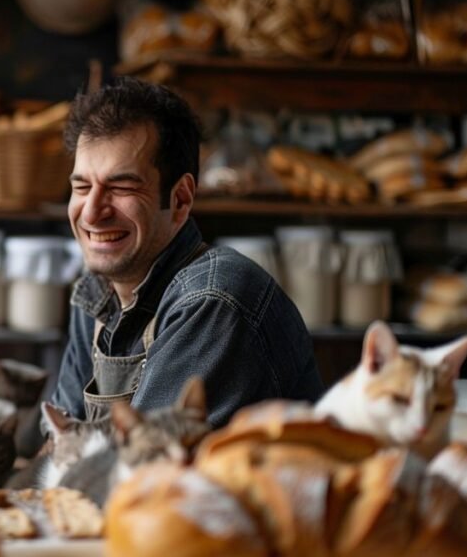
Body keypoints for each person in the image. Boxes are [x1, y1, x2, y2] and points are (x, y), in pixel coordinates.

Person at [49, 77, 323, 427]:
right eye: (82, 187)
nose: (90, 212)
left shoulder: (214, 300)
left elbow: (147, 470)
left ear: (180, 200)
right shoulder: (95, 294)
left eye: (121, 187)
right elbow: (60, 445)